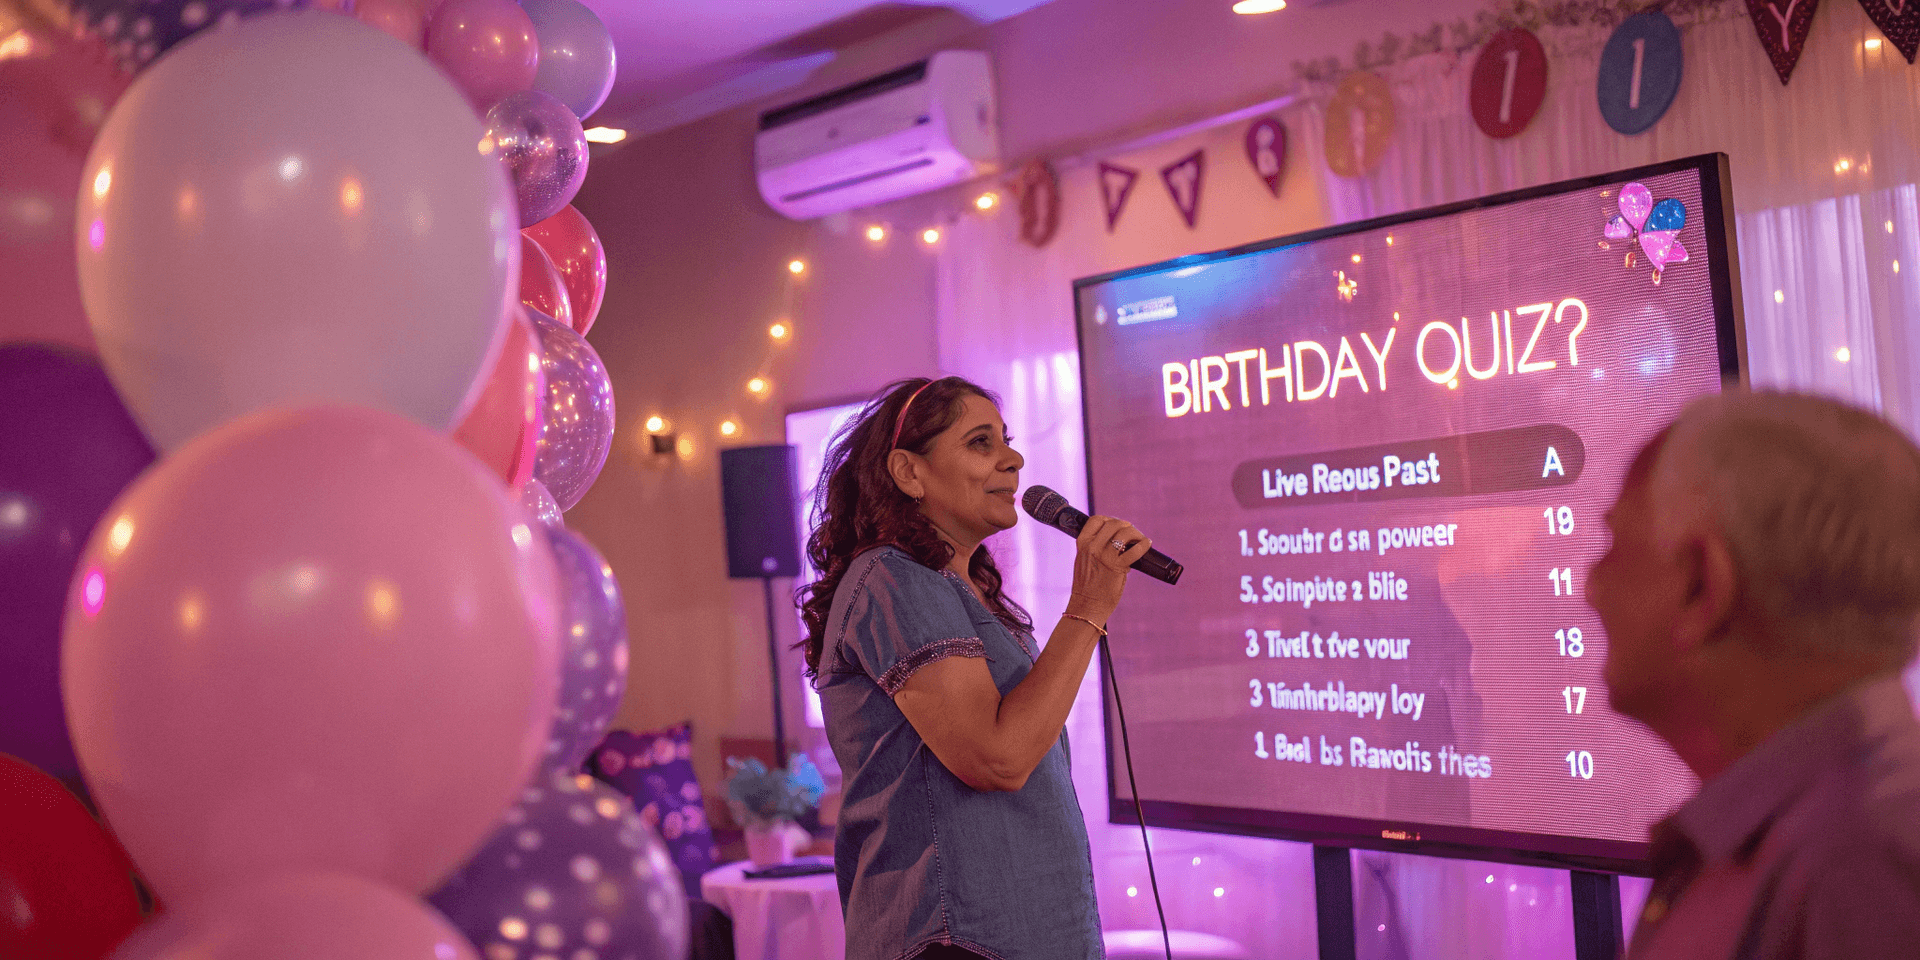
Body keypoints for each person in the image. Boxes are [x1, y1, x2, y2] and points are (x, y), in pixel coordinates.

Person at [798, 376, 1150, 960]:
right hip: (956, 939)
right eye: (980, 443)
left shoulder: (957, 590)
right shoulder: (893, 578)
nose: (1012, 459)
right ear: (909, 473)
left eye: (1005, 441)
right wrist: (1088, 607)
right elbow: (998, 758)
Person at [1584, 390, 1920, 960]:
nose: (1591, 584)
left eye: (1617, 544)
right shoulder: (1808, 839)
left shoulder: (1855, 865)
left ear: (1701, 588)